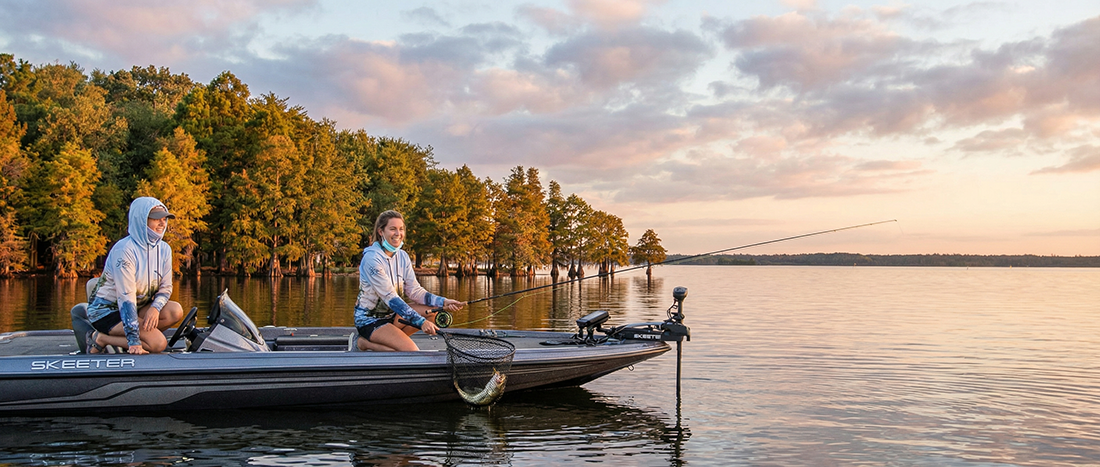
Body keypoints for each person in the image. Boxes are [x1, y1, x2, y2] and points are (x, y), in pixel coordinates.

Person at [354, 210, 465, 351]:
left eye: (401, 229)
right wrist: (421, 322)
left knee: (434, 313)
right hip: (370, 320)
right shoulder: (372, 259)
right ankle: (363, 343)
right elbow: (391, 297)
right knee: (411, 351)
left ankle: (393, 339)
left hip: (393, 315)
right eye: (392, 229)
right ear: (381, 231)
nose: (398, 233)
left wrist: (443, 302)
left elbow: (414, 291)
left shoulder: (402, 256)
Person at [85, 197, 184, 355]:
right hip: (107, 312)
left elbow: (166, 287)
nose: (162, 223)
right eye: (156, 218)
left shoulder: (164, 249)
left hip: (136, 308)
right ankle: (101, 338)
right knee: (158, 344)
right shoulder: (125, 250)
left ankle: (142, 336)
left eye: (164, 218)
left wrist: (155, 308)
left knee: (175, 311)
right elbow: (126, 299)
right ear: (142, 219)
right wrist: (133, 342)